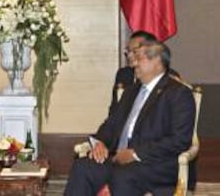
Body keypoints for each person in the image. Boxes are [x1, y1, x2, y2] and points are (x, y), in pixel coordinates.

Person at [64, 39, 196, 196]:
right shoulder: (130, 92)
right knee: (82, 167)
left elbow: (180, 140)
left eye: (139, 58)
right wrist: (99, 142)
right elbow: (110, 125)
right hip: (117, 160)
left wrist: (135, 154)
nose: (133, 64)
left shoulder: (178, 93)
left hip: (154, 164)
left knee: (123, 177)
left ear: (157, 61)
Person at [109, 31, 179, 115]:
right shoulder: (124, 74)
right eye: (128, 51)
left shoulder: (169, 77)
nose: (129, 55)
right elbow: (114, 113)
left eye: (135, 51)